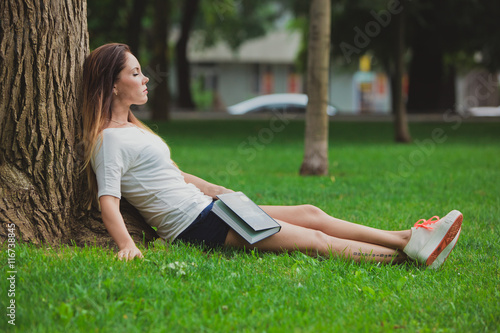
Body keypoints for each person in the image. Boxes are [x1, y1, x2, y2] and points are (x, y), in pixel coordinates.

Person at [81, 43, 463, 269]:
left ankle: (410, 239)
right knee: (312, 239)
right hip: (197, 225)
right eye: (135, 73)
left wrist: (217, 189)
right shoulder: (110, 141)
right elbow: (108, 202)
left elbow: (175, 176)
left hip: (209, 208)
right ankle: (410, 252)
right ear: (112, 85)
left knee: (312, 212)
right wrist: (126, 245)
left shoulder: (133, 130)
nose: (145, 78)